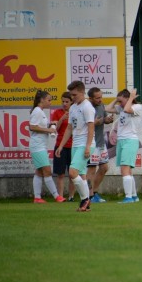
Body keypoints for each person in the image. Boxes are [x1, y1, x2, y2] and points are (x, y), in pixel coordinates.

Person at [56, 80, 96, 212]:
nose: (72, 98)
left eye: (74, 95)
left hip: (85, 144)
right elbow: (69, 128)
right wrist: (61, 146)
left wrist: (87, 146)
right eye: (71, 95)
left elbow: (91, 127)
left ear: (82, 92)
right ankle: (87, 205)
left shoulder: (87, 107)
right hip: (75, 144)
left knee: (72, 172)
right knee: (82, 176)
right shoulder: (73, 108)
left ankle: (85, 199)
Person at [106, 88, 142, 203]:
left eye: (121, 101)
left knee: (125, 169)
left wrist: (131, 98)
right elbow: (107, 108)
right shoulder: (121, 108)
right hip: (121, 141)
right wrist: (116, 99)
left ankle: (128, 197)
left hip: (130, 140)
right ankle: (134, 196)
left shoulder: (137, 107)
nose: (119, 104)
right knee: (128, 171)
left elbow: (128, 108)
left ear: (128, 99)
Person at [29, 90, 67, 203]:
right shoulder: (37, 111)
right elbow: (32, 127)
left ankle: (37, 197)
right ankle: (57, 196)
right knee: (47, 171)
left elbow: (37, 126)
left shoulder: (40, 111)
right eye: (49, 100)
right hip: (37, 146)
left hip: (40, 145)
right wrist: (48, 129)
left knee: (39, 172)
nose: (50, 102)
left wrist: (50, 125)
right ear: (42, 100)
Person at [86, 87, 114, 203]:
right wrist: (99, 122)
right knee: (91, 169)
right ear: (90, 98)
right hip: (91, 143)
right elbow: (89, 124)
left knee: (104, 168)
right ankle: (89, 196)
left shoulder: (101, 105)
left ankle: (95, 193)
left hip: (101, 142)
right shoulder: (87, 108)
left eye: (101, 97)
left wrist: (108, 119)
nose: (100, 100)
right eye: (97, 98)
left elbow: (103, 119)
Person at [50, 91, 75, 201]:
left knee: (72, 174)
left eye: (67, 102)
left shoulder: (76, 111)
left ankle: (71, 196)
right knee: (60, 174)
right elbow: (55, 129)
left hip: (74, 146)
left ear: (71, 102)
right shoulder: (57, 112)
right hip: (60, 145)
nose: (64, 104)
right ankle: (60, 197)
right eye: (63, 101)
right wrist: (62, 119)